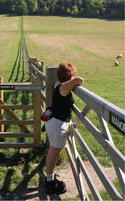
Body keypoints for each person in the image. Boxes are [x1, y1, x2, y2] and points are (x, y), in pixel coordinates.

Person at [44, 61, 84, 194]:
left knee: (55, 152)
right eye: (72, 74)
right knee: (53, 153)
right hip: (57, 125)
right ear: (69, 76)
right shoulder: (64, 87)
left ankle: (50, 177)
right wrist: (74, 80)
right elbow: (80, 80)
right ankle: (50, 183)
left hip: (55, 122)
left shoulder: (58, 84)